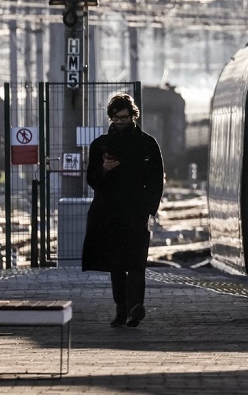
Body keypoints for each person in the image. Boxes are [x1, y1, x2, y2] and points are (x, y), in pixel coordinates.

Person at [82, 94, 164, 327]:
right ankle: (122, 309)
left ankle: (135, 306)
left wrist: (150, 207)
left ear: (133, 116)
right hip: (109, 213)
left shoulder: (147, 144)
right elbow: (92, 180)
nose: (121, 122)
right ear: (111, 117)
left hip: (136, 212)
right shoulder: (101, 145)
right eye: (117, 118)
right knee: (117, 265)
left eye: (125, 117)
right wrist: (105, 169)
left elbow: (157, 178)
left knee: (136, 262)